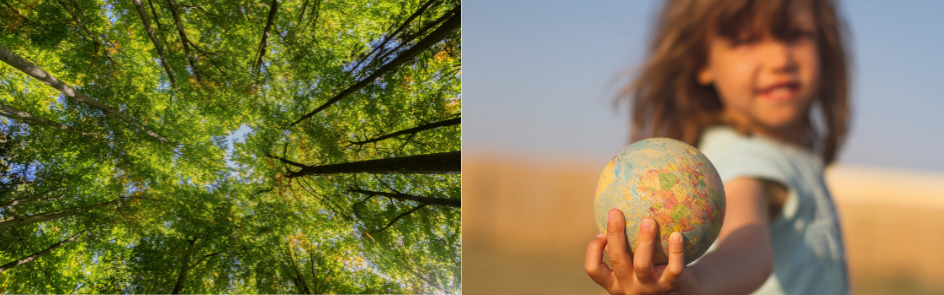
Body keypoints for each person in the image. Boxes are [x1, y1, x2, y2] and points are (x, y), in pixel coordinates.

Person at [584, 0, 851, 294]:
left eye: (796, 35)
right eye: (746, 40)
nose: (780, 59)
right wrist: (700, 283)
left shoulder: (785, 153)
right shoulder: (745, 156)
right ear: (702, 62)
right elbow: (748, 248)